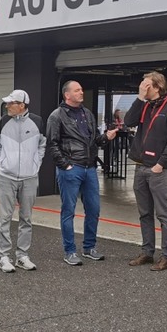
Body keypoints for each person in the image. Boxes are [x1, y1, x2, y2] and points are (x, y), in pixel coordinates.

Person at [46, 81, 118, 266]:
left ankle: (89, 248)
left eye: (81, 90)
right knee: (68, 211)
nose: (81, 92)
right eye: (77, 90)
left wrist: (106, 137)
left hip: (89, 168)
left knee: (94, 209)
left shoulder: (87, 114)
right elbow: (52, 144)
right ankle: (70, 251)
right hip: (71, 168)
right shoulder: (57, 116)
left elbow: (94, 141)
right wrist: (65, 165)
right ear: (67, 95)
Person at [125, 71, 167, 271]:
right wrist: (139, 98)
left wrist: (161, 164)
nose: (143, 87)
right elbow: (128, 121)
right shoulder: (144, 105)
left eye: (146, 85)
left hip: (158, 169)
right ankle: (147, 252)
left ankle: (166, 256)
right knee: (144, 213)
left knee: (164, 215)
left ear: (157, 87)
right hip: (140, 166)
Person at [0, 89, 46, 273]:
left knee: (26, 218)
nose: (7, 106)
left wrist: (35, 164)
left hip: (29, 177)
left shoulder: (37, 122)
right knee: (5, 218)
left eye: (11, 103)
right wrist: (2, 163)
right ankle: (3, 256)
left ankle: (22, 256)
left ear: (22, 105)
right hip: (7, 177)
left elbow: (42, 145)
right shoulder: (3, 121)